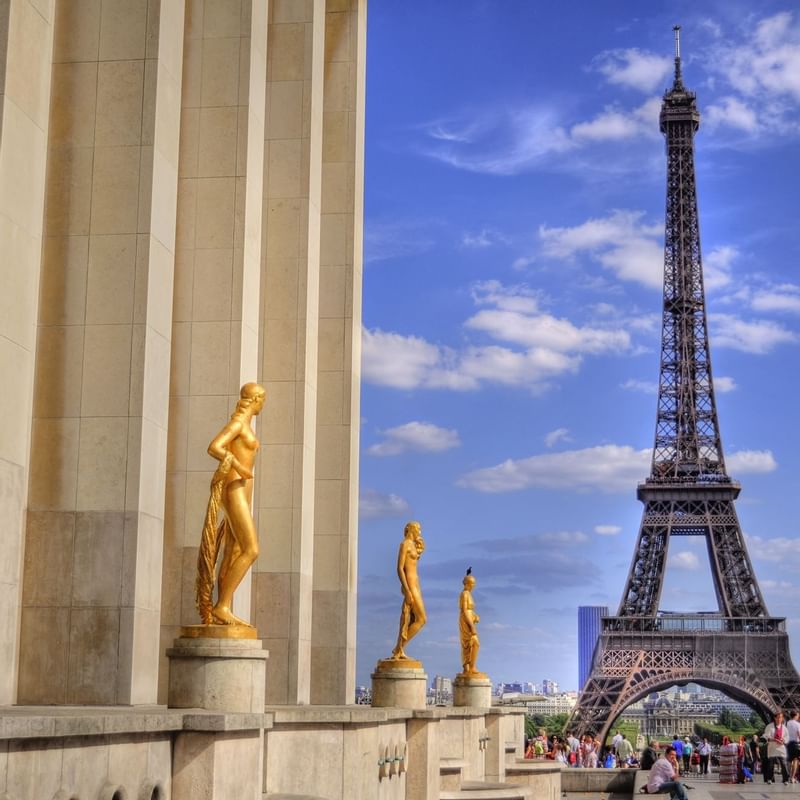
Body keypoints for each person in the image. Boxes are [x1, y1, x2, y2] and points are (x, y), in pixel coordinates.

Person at [196, 382, 265, 626]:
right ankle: (222, 605)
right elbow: (214, 447)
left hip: (242, 490)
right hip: (233, 488)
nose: (263, 404)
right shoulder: (238, 424)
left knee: (234, 550)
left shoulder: (245, 425)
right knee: (251, 549)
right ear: (255, 399)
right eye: (262, 398)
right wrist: (237, 465)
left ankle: (223, 608)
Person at [390, 521, 427, 659]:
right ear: (410, 529)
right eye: (418, 529)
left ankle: (399, 649)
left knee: (412, 619)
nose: (420, 532)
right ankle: (398, 648)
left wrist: (420, 549)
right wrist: (407, 589)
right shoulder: (405, 544)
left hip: (416, 585)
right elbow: (400, 568)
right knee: (422, 619)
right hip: (410, 585)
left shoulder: (412, 545)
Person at [458, 569, 482, 675]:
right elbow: (464, 610)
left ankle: (469, 666)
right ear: (467, 583)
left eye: (474, 584)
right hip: (465, 620)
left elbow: (469, 610)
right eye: (472, 583)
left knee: (471, 644)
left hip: (468, 618)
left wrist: (475, 616)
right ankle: (470, 666)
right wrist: (471, 625)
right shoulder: (464, 594)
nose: (473, 586)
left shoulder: (468, 594)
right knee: (473, 642)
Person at [764, 710, 791, 784]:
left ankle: (786, 779)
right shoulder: (769, 726)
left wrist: (783, 740)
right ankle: (770, 779)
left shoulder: (784, 728)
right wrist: (773, 739)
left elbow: (787, 737)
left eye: (781, 717)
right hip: (772, 747)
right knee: (770, 764)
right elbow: (766, 736)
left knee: (784, 764)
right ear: (775, 718)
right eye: (778, 717)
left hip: (781, 747)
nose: (779, 719)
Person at [787, 710, 800, 782]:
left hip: (788, 743)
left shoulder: (787, 723)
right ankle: (792, 777)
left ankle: (788, 776)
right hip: (796, 744)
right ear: (796, 715)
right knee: (795, 760)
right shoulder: (798, 724)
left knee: (789, 761)